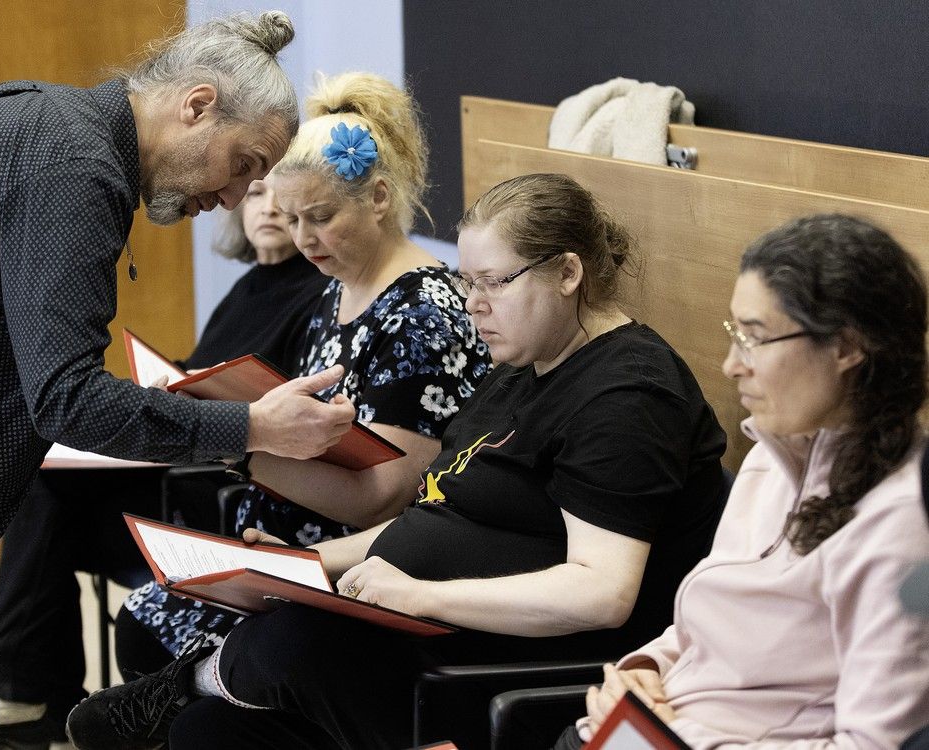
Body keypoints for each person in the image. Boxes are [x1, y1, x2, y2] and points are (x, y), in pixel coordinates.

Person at [65, 172, 729, 750]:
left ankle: (187, 681)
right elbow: (436, 519)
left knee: (298, 641)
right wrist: (307, 565)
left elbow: (601, 593)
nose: (475, 306)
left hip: (514, 662)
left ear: (568, 273)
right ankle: (190, 693)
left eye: (493, 283)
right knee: (210, 733)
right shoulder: (523, 364)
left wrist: (419, 594)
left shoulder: (628, 392)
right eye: (468, 282)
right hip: (430, 629)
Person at [0, 10, 362, 748]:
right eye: (243, 165)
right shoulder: (75, 165)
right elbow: (66, 397)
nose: (232, 198)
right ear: (196, 106)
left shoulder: (40, 116)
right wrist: (254, 426)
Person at [110, 71, 491, 681]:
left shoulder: (424, 314)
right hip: (283, 552)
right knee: (142, 623)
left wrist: (239, 442)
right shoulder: (335, 291)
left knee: (170, 660)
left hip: (354, 567)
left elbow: (382, 498)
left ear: (379, 198)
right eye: (289, 218)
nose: (303, 239)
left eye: (320, 216)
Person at [559, 214, 929, 749]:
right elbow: (709, 630)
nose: (733, 365)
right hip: (633, 731)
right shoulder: (769, 459)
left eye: (755, 338)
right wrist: (645, 669)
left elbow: (869, 744)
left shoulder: (900, 527)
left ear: (847, 348)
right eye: (735, 334)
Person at [0, 175, 327, 748]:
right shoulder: (250, 285)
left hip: (221, 488)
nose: (269, 209)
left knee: (47, 502)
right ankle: (37, 695)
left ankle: (33, 694)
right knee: (41, 488)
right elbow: (203, 375)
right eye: (253, 195)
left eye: (283, 199)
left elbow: (275, 413)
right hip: (181, 468)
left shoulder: (316, 293)